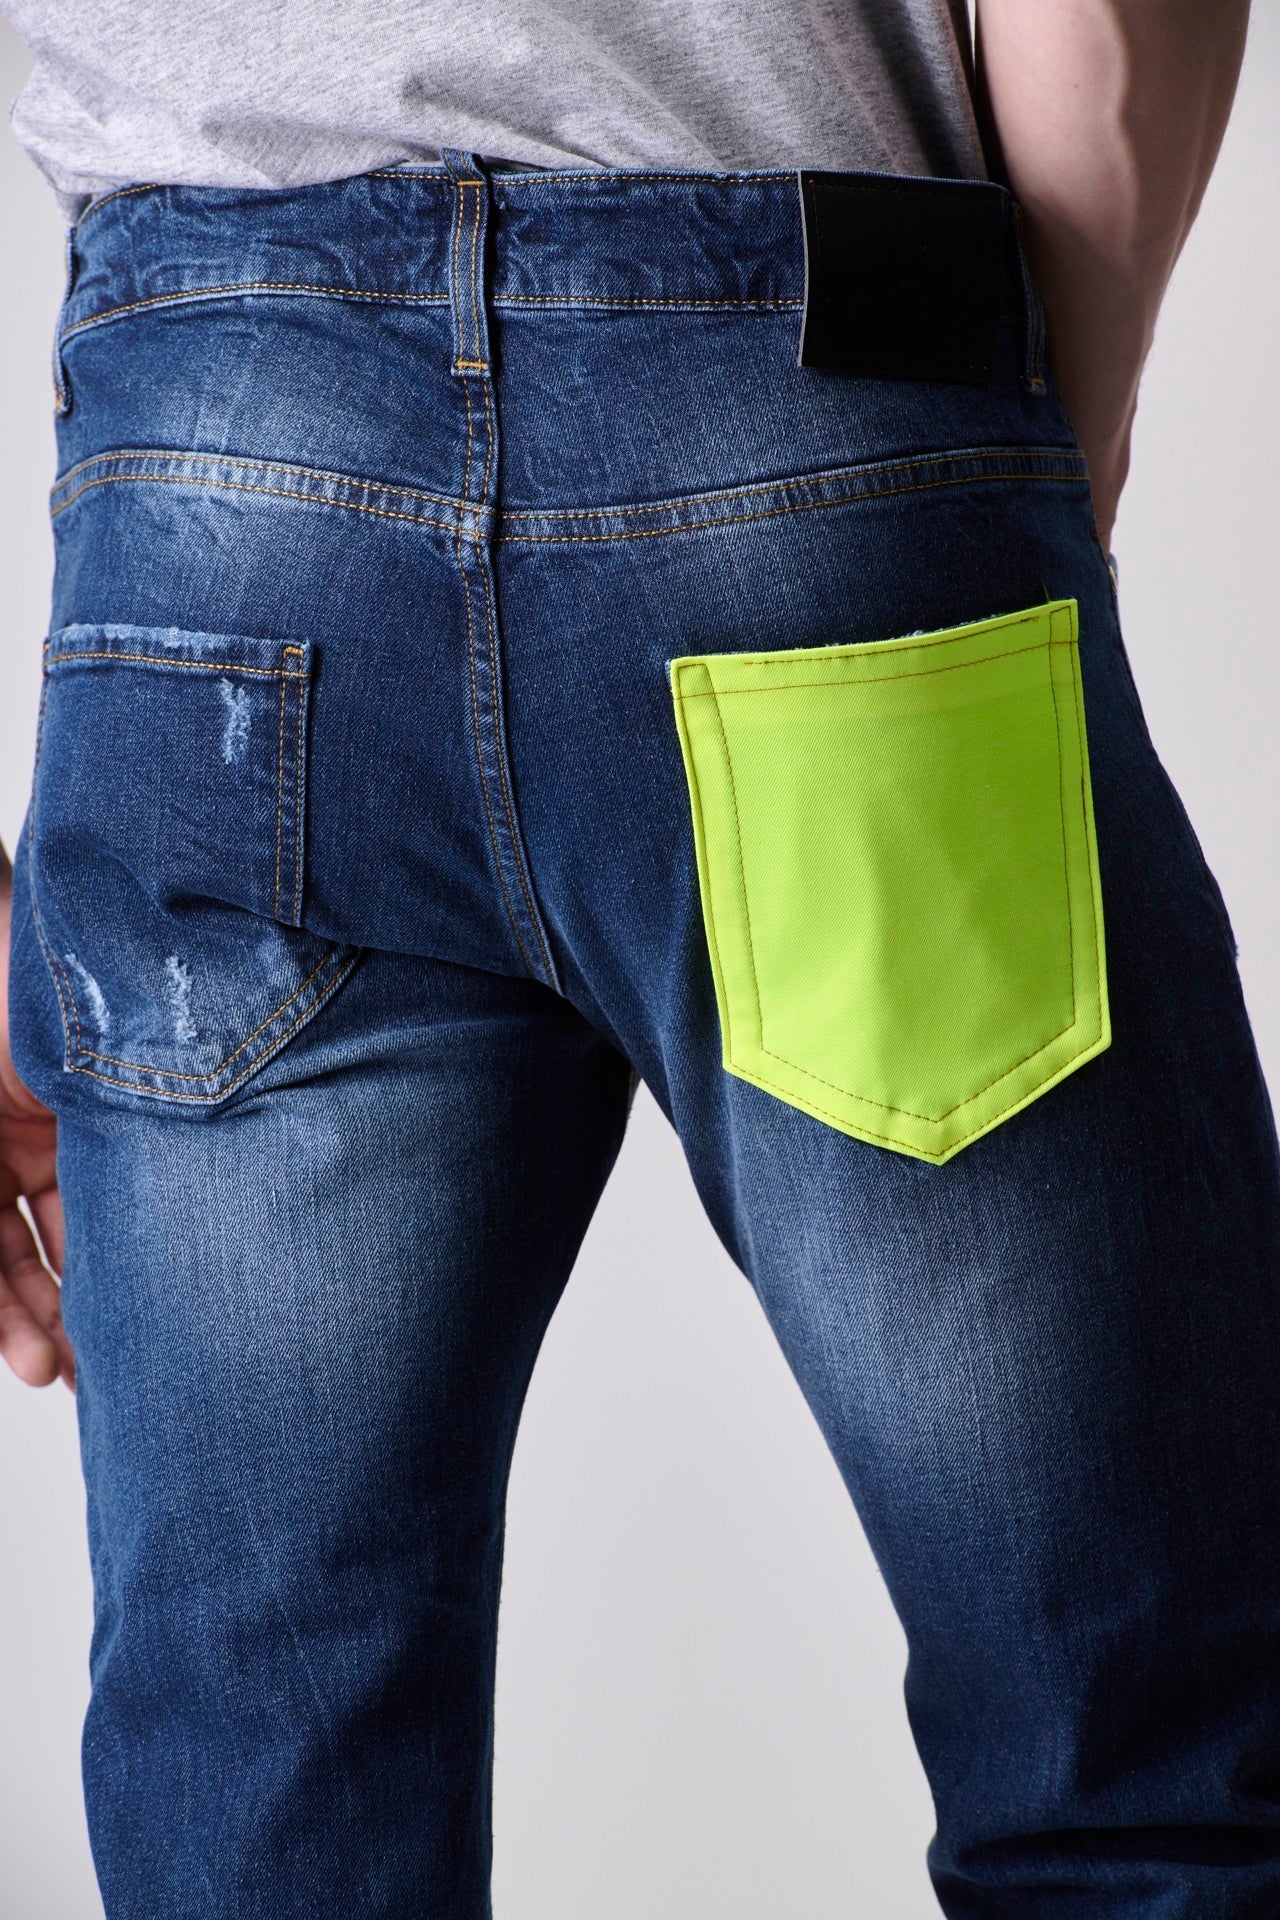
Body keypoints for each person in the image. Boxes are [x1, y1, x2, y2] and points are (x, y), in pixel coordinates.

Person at [0, 2, 1270, 1914]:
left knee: (265, 1784)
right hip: (819, 417)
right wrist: (1019, 456)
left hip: (213, 499)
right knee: (1136, 1771)